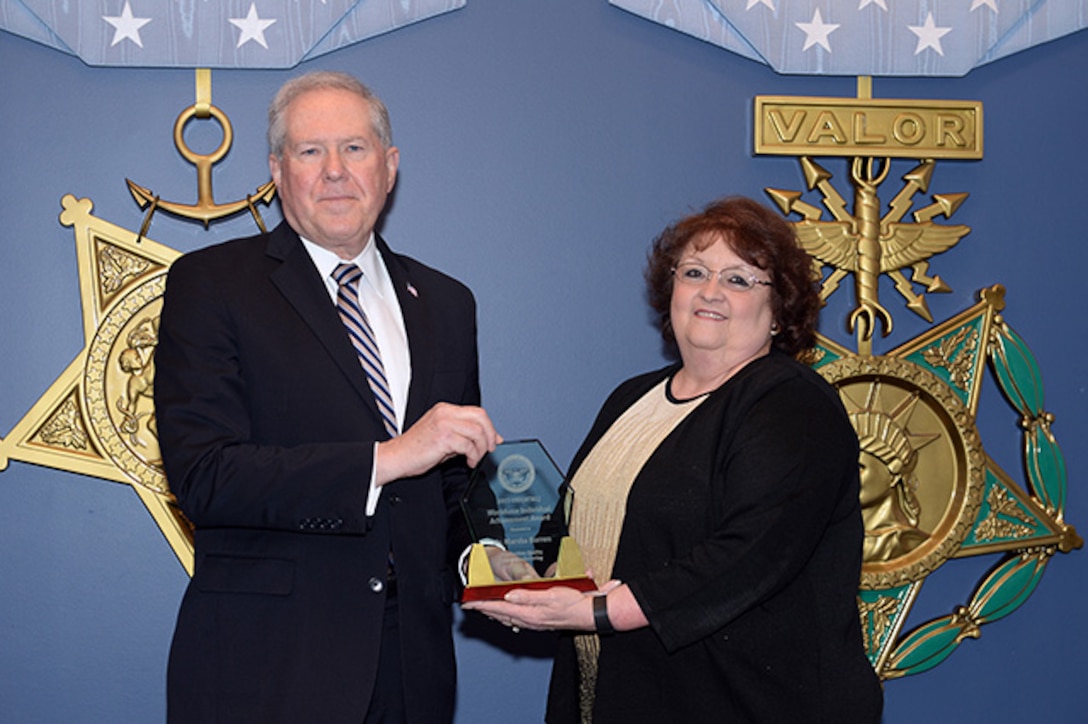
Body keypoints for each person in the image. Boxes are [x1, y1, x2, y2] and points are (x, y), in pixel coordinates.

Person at [154, 70, 501, 723]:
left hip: (413, 664)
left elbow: (451, 490)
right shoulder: (212, 285)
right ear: (277, 172)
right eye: (311, 152)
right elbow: (205, 475)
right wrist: (387, 458)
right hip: (272, 662)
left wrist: (493, 566)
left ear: (390, 167)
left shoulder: (448, 304)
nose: (336, 171)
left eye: (356, 148)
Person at [465, 197, 884, 722]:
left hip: (750, 700)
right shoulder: (632, 398)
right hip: (615, 695)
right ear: (671, 293)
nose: (710, 291)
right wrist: (528, 585)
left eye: (738, 279)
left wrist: (599, 610)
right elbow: (579, 531)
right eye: (694, 272)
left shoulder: (791, 404)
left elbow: (748, 554)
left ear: (779, 311)